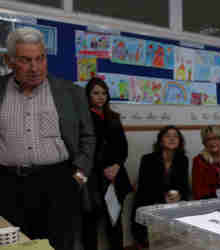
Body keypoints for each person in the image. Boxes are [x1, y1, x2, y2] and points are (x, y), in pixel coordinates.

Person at [0, 27, 95, 250]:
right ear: (9, 60)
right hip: (8, 184)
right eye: (25, 60)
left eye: (40, 58)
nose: (35, 68)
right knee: (14, 246)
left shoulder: (71, 92)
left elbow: (88, 137)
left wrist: (79, 176)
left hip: (58, 183)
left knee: (59, 244)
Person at [82, 77, 133, 250]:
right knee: (90, 223)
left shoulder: (114, 118)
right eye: (96, 93)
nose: (100, 97)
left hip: (115, 176)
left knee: (114, 221)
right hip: (92, 178)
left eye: (104, 93)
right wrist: (100, 169)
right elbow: (83, 149)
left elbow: (123, 148)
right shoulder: (83, 117)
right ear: (88, 95)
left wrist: (116, 166)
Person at [131, 125, 190, 248]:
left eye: (176, 136)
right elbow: (144, 188)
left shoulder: (183, 160)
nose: (172, 139)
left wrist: (180, 194)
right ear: (160, 140)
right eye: (168, 136)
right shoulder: (147, 159)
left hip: (173, 205)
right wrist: (164, 198)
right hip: (150, 205)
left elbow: (184, 186)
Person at [192, 126, 220, 200]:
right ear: (204, 142)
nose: (212, 142)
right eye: (208, 139)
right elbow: (198, 191)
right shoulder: (198, 160)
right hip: (210, 202)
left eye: (216, 138)